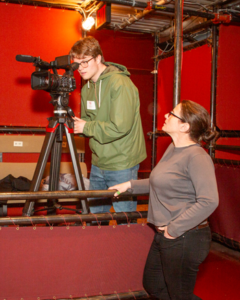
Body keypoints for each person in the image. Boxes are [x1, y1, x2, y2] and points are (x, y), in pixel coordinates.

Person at [109, 100, 219, 300]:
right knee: (153, 284)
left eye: (172, 114)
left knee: (178, 295)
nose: (166, 116)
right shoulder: (173, 148)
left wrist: (173, 230)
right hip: (167, 234)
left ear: (184, 127)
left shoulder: (197, 157)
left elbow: (209, 200)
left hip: (186, 236)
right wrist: (130, 185)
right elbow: (159, 181)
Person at [69, 36, 146, 214]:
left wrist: (86, 127)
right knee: (96, 217)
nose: (80, 68)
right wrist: (77, 126)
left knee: (123, 218)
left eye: (85, 62)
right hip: (98, 161)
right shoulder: (87, 88)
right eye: (76, 63)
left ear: (98, 58)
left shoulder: (120, 83)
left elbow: (120, 126)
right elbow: (88, 122)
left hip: (121, 163)